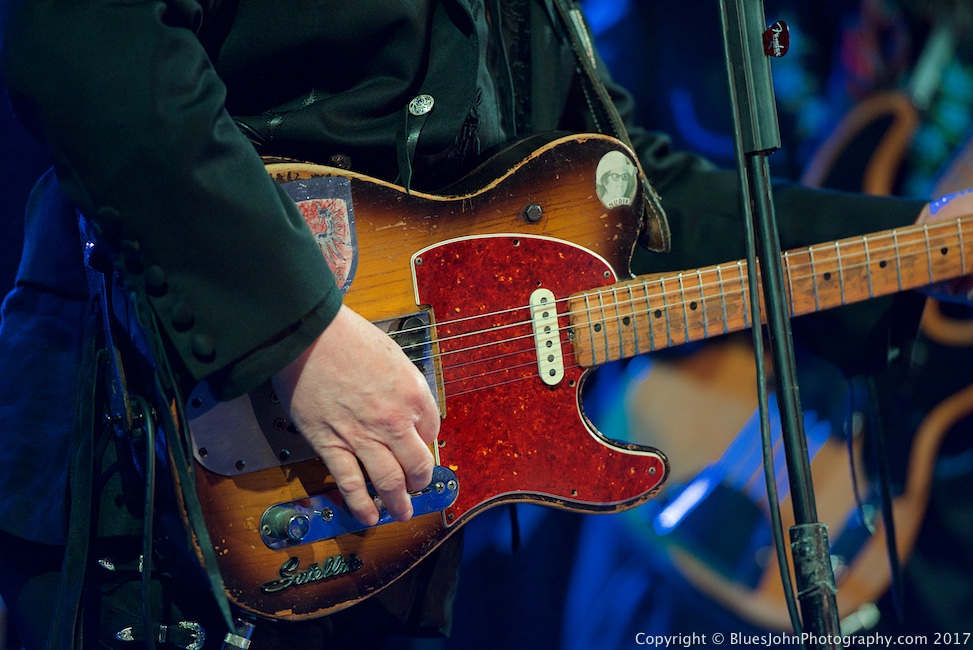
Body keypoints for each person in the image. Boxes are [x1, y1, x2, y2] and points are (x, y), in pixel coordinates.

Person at [0, 1, 971, 648]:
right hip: (150, 463)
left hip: (389, 528)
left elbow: (631, 196)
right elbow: (84, 44)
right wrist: (294, 333)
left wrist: (925, 245)